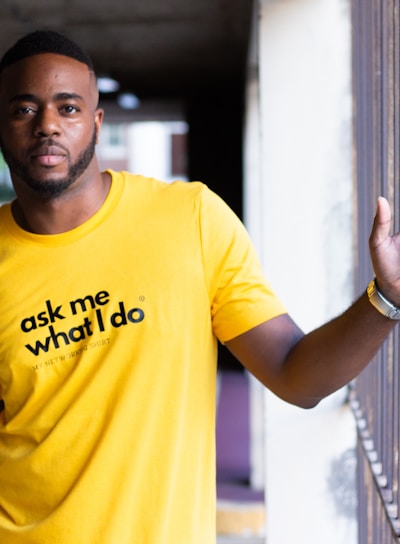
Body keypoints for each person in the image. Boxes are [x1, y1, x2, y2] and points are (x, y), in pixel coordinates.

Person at [0, 29, 398, 544]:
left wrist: (386, 297)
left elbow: (296, 377)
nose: (48, 125)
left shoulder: (190, 220)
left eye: (69, 108)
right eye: (24, 109)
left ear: (97, 122)